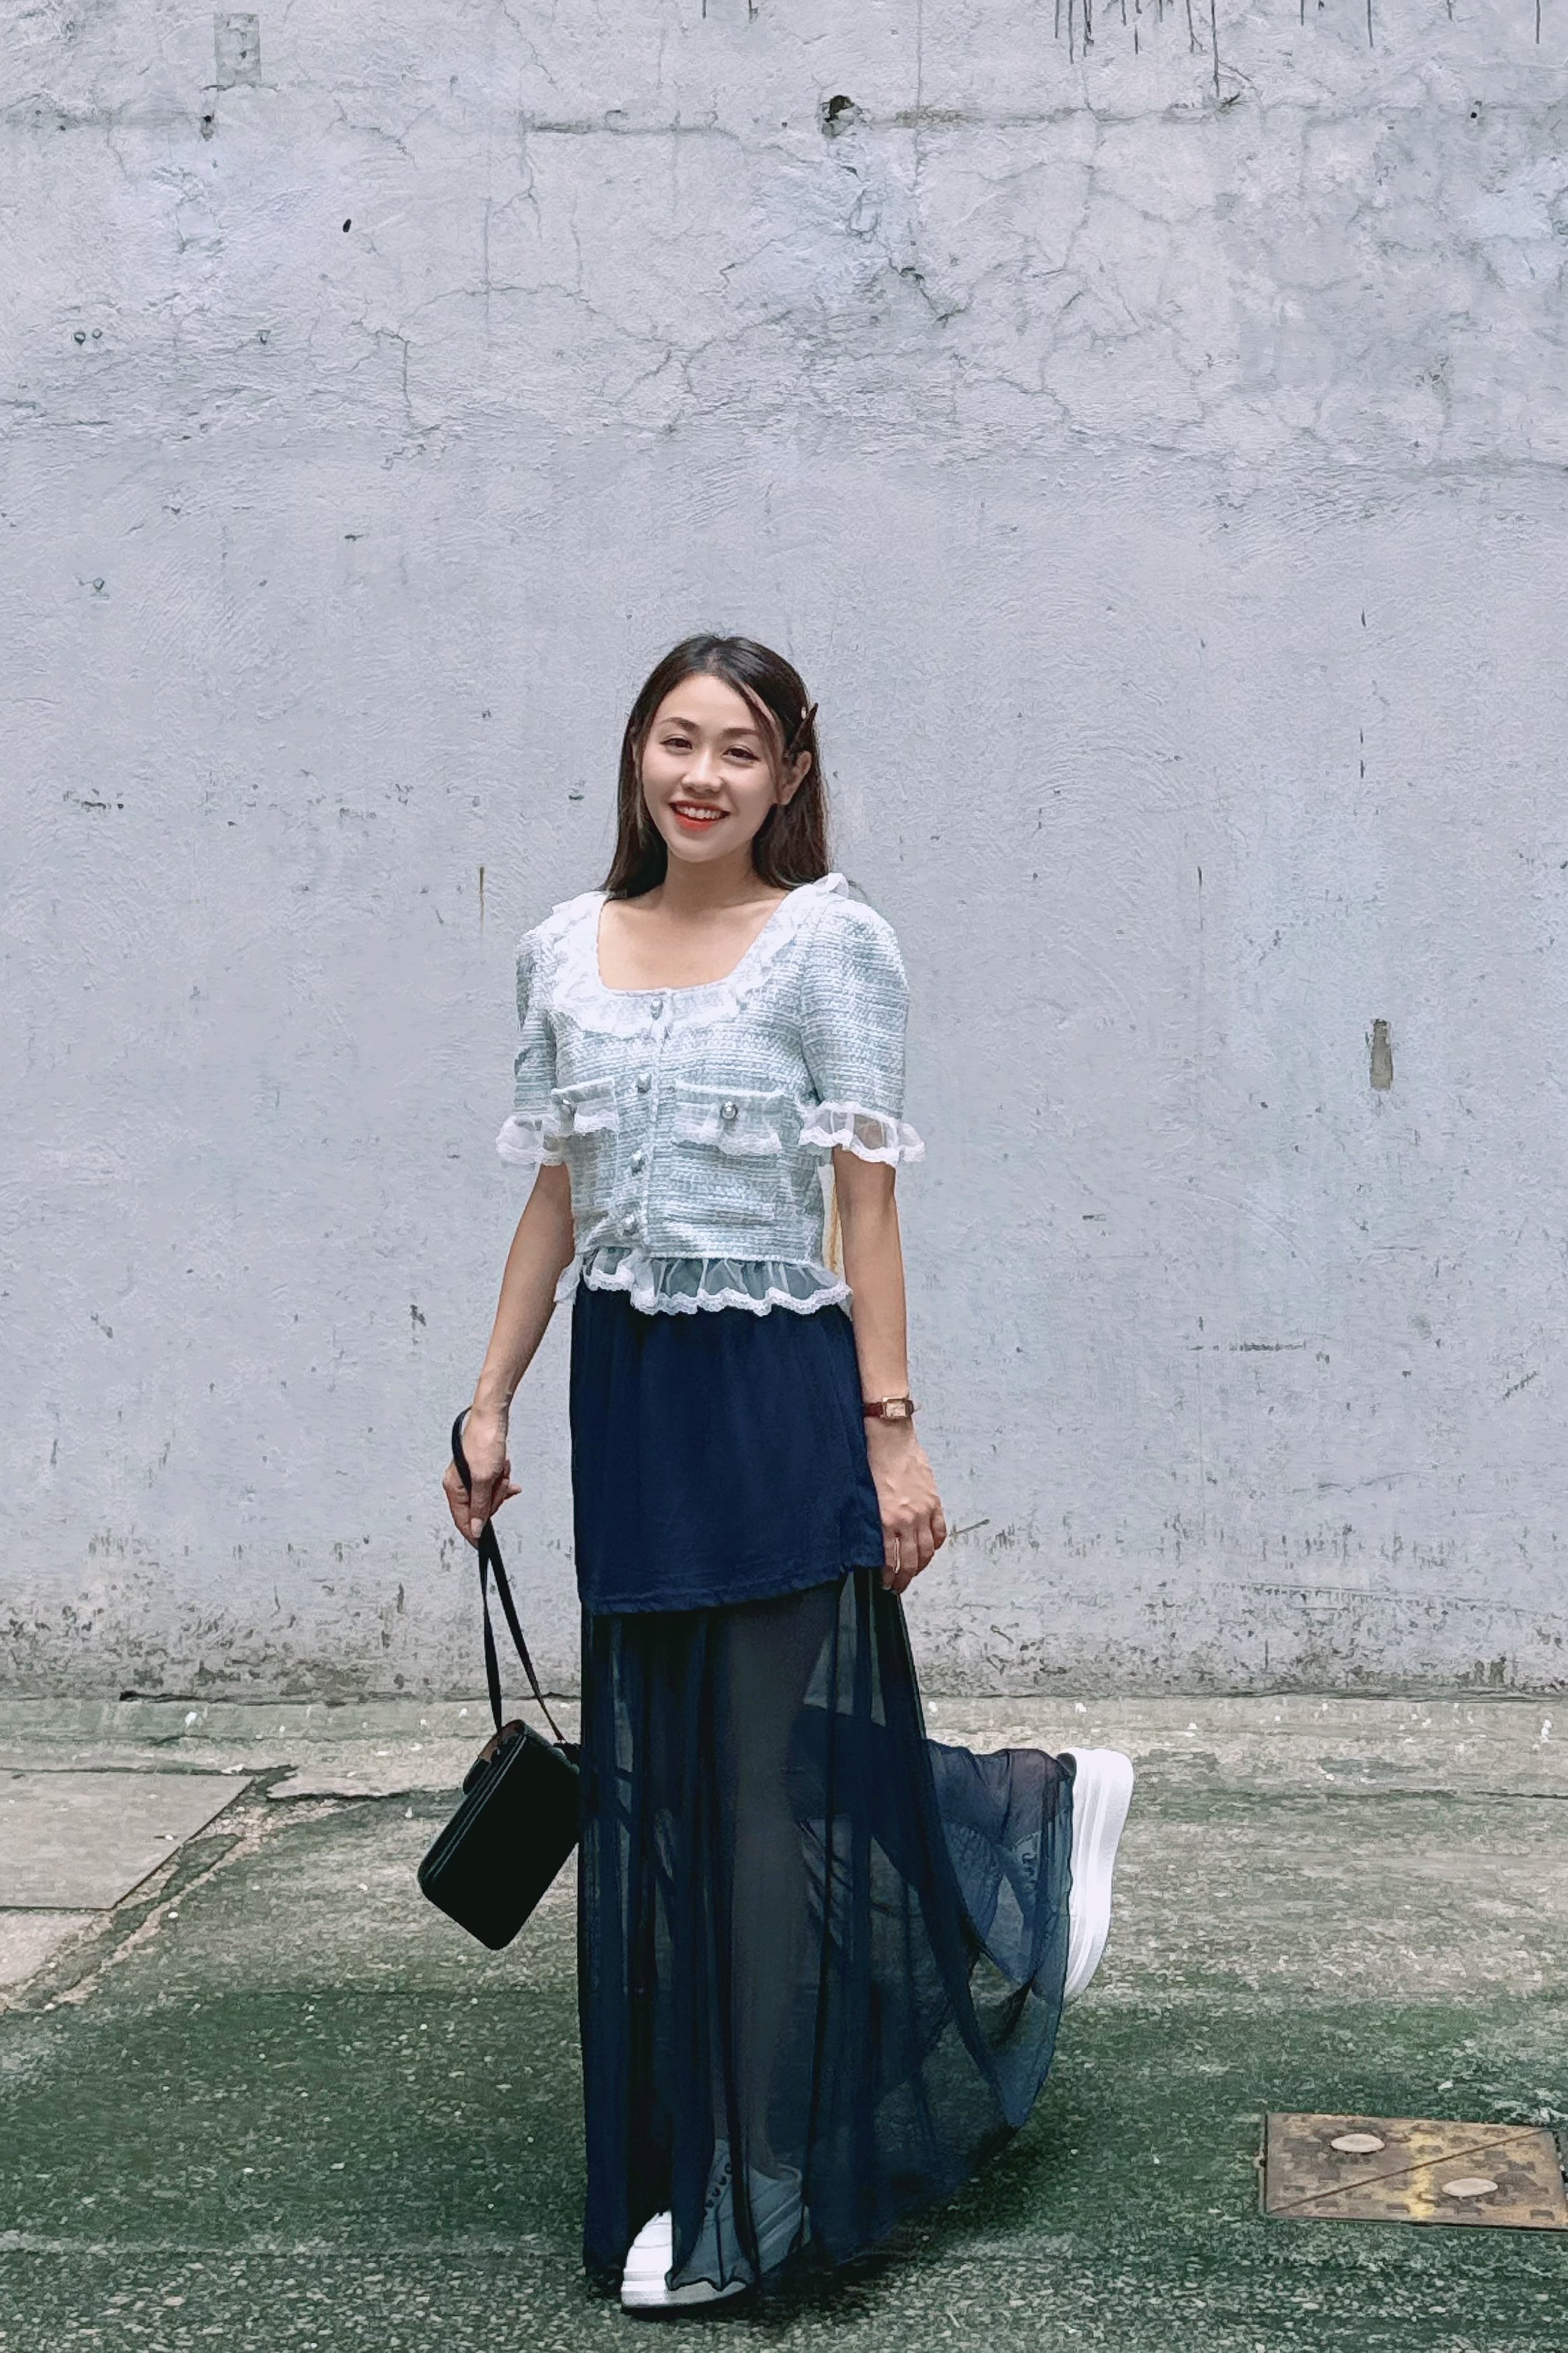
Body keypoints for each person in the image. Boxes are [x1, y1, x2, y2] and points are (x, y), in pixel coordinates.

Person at [442, 634, 1135, 2313]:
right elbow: (560, 1192)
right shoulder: (559, 949)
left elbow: (864, 1202)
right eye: (677, 740)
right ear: (636, 753)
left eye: (739, 750)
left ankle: (748, 2179)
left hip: (773, 1387)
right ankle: (1000, 1818)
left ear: (789, 776)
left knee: (746, 1797)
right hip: (628, 1392)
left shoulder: (832, 944)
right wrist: (487, 1400)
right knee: (664, 1783)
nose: (703, 776)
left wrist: (892, 1434)